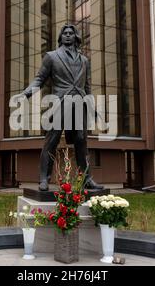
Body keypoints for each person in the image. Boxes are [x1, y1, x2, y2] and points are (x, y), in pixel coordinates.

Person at [14, 24, 104, 192]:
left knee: (81, 142)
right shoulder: (52, 57)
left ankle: (86, 179)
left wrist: (91, 106)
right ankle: (44, 178)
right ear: (60, 37)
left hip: (80, 104)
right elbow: (39, 79)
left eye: (71, 33)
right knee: (52, 140)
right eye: (65, 34)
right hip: (60, 102)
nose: (68, 36)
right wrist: (26, 93)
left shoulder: (84, 60)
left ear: (76, 37)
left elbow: (88, 86)